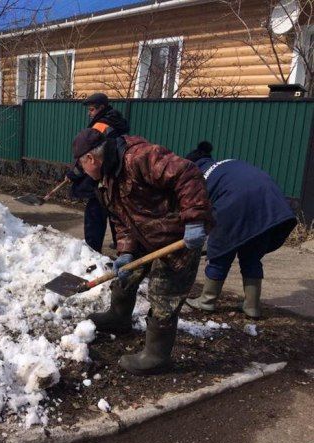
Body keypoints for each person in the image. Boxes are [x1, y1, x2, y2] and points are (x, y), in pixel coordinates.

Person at [73, 128, 213, 375]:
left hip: (178, 237)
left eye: (82, 165)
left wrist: (194, 220)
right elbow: (120, 218)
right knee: (125, 274)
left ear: (91, 159)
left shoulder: (139, 157)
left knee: (164, 295)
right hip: (143, 236)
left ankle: (157, 356)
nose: (83, 171)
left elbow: (187, 173)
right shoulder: (106, 180)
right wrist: (126, 250)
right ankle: (119, 317)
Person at [185, 142, 297, 318]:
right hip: (269, 205)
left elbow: (200, 209)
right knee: (252, 256)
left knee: (219, 254)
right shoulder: (227, 164)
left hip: (236, 204)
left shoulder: (199, 175)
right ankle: (252, 306)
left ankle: (207, 301)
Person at [67, 93, 125, 252]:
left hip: (99, 176)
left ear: (102, 108)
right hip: (114, 174)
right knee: (115, 210)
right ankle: (120, 244)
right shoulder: (116, 122)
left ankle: (92, 249)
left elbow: (89, 155)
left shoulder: (100, 126)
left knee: (95, 212)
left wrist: (74, 173)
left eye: (92, 109)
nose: (89, 112)